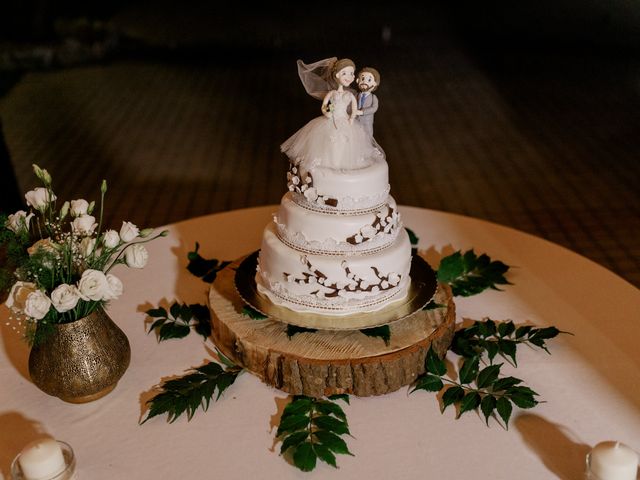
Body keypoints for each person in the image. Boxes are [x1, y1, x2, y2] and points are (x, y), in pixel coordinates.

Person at [281, 58, 383, 172]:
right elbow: (324, 106)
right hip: (331, 119)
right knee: (328, 141)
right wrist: (326, 112)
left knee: (347, 142)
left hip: (346, 120)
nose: (349, 76)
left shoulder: (350, 95)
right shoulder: (332, 93)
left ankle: (342, 161)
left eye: (351, 73)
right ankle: (330, 162)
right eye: (345, 73)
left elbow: (354, 108)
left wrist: (352, 118)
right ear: (337, 75)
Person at [355, 67, 380, 138]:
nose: (364, 82)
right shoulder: (356, 95)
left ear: (375, 83)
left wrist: (362, 112)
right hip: (355, 121)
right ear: (357, 80)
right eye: (362, 79)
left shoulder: (373, 97)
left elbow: (374, 108)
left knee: (367, 137)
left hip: (367, 122)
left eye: (369, 80)